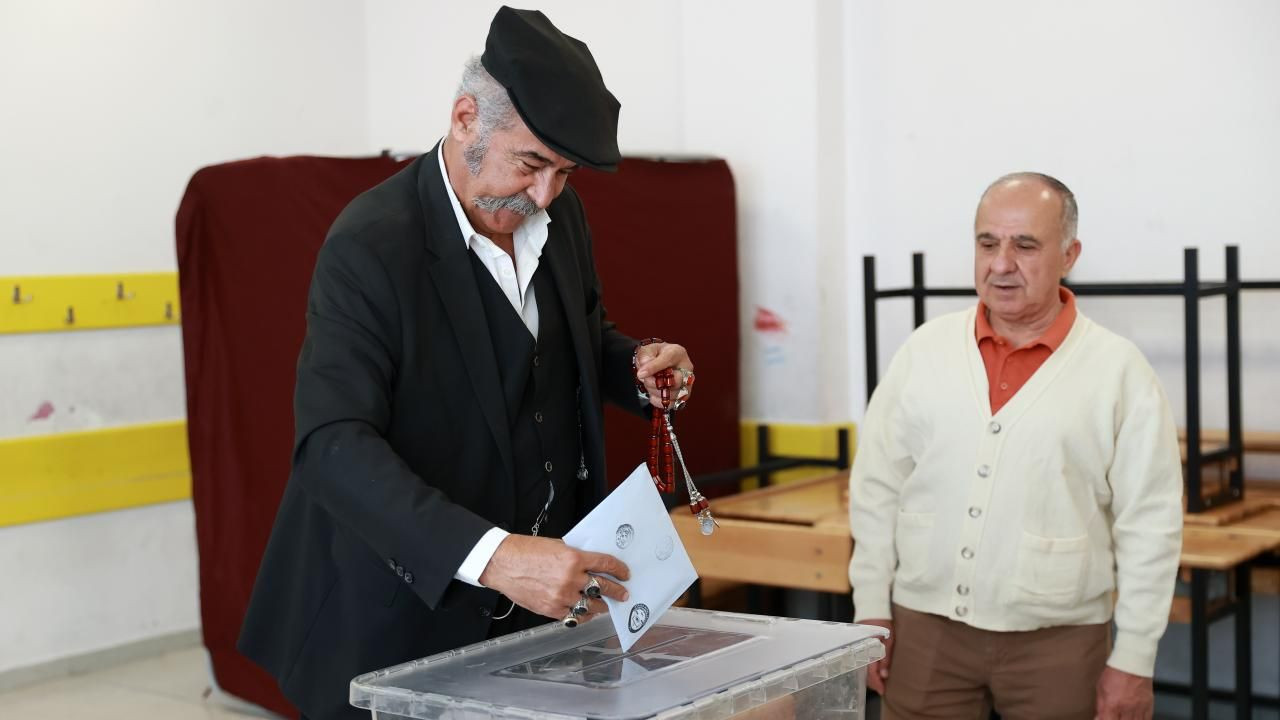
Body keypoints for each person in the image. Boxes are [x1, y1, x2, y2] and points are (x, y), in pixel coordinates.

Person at [237, 8, 695, 719]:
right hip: (394, 615)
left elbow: (571, 337)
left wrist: (632, 365)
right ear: (463, 119)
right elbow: (332, 446)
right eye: (530, 164)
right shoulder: (370, 244)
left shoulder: (559, 219)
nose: (544, 196)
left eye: (564, 173)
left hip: (534, 619)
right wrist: (495, 557)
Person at [849, 172, 1182, 720]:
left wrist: (1135, 658)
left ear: (1069, 254)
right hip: (923, 630)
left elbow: (1151, 522)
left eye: (1025, 245)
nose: (1001, 263)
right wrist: (870, 610)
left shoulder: (1118, 371)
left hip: (1060, 643)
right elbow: (877, 488)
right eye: (987, 243)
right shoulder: (925, 351)